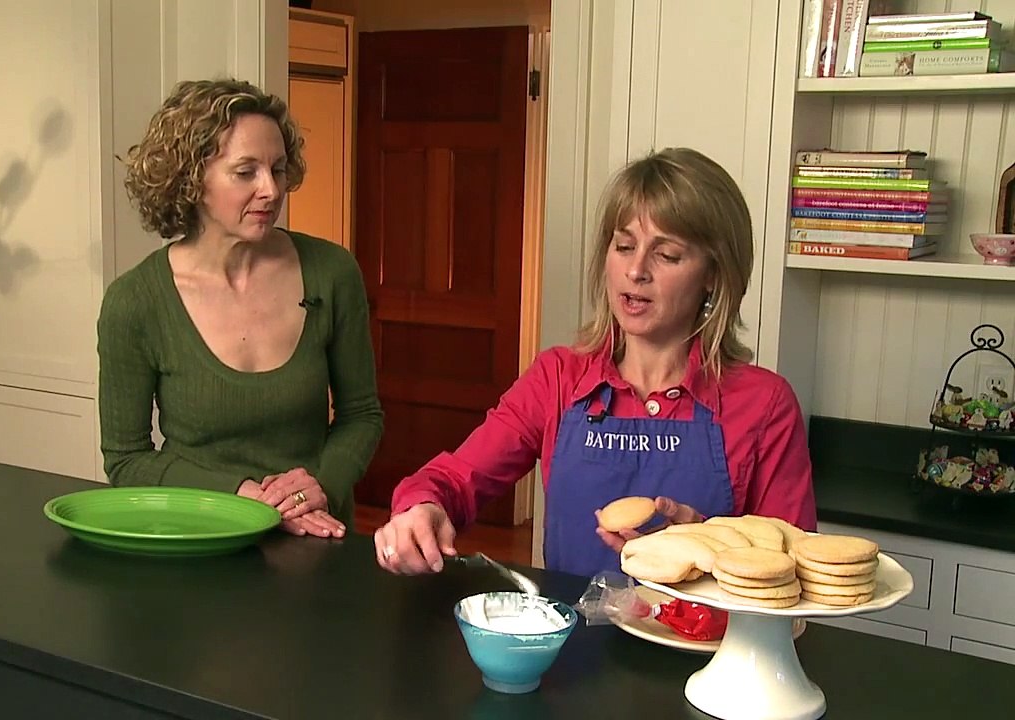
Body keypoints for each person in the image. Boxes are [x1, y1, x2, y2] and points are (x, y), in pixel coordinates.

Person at [374, 147, 816, 577]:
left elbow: (795, 567)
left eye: (666, 255)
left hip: (705, 631)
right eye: (624, 246)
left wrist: (706, 548)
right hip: (574, 626)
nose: (636, 271)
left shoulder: (764, 404)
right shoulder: (558, 378)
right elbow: (457, 479)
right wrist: (423, 508)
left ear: (714, 275)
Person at [98, 78, 383, 538]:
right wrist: (241, 496)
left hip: (317, 537)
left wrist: (319, 487)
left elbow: (362, 414)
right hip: (201, 538)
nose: (271, 189)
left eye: (278, 169)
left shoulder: (332, 271)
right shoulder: (135, 302)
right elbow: (127, 459)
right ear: (192, 178)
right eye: (246, 172)